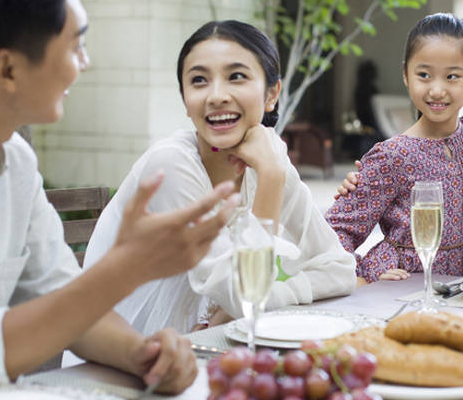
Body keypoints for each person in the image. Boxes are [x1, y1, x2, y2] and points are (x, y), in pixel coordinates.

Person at [0, 0, 238, 389]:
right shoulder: (173, 160)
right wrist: (126, 270)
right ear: (9, 69)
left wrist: (141, 355)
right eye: (76, 44)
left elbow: (65, 301)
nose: (85, 62)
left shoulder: (14, 165)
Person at [85, 20, 356, 335]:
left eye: (236, 76)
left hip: (209, 341)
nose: (216, 96)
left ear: (272, 93)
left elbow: (339, 268)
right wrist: (270, 178)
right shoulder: (170, 165)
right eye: (199, 80)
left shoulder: (269, 160)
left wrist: (249, 304)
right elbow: (248, 295)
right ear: (185, 100)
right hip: (131, 351)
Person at [326, 13, 463, 285]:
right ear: (406, 74)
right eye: (424, 75)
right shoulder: (392, 155)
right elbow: (335, 229)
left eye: (452, 76)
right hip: (400, 283)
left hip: (460, 285)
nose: (437, 90)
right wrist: (360, 275)